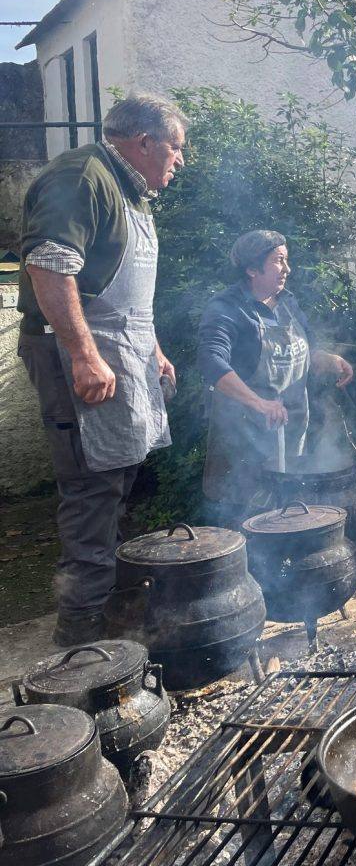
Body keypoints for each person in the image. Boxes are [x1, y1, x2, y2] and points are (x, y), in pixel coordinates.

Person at [17, 94, 185, 645]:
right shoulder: (83, 177)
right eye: (175, 149)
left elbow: (129, 291)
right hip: (80, 356)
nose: (179, 161)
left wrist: (153, 347)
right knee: (93, 490)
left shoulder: (130, 190)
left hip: (124, 351)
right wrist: (84, 355)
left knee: (120, 478)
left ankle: (115, 613)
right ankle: (80, 642)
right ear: (144, 143)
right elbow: (49, 265)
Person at [197, 231, 354, 525]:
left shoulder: (286, 303)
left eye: (286, 260)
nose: (287, 269)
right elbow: (211, 362)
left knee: (286, 517)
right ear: (252, 269)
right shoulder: (227, 309)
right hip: (243, 440)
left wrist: (327, 359)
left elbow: (303, 351)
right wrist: (259, 403)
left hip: (290, 433)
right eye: (279, 261)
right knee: (245, 521)